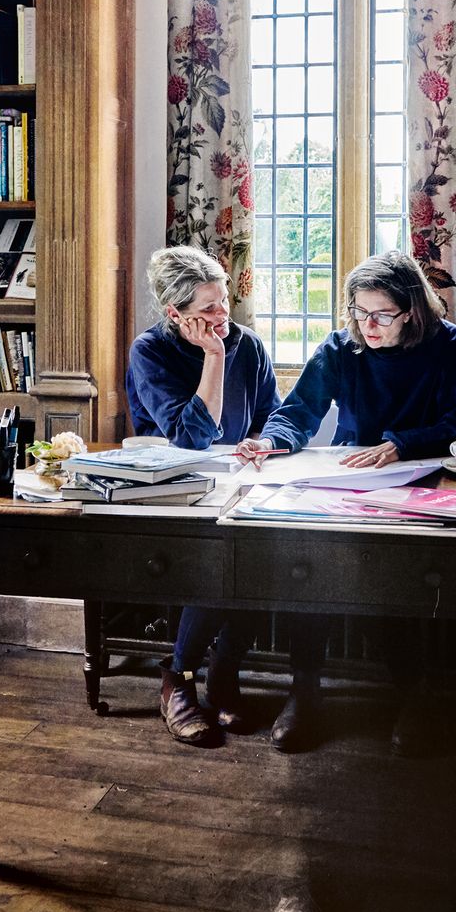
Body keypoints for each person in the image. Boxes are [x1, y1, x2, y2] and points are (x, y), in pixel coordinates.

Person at [234, 251, 456, 755]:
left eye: (382, 315)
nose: (368, 325)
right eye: (359, 312)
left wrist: (401, 443)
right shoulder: (341, 347)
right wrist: (272, 441)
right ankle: (303, 691)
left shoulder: (445, 343)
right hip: (351, 478)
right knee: (308, 566)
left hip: (419, 473)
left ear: (411, 311)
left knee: (399, 577)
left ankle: (413, 694)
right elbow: (299, 410)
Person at [127, 245, 280, 747]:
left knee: (265, 554)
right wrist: (213, 357)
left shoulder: (249, 345)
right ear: (176, 315)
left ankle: (225, 671)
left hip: (240, 481)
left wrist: (266, 442)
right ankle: (178, 677)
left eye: (225, 300)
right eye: (208, 309)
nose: (223, 316)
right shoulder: (150, 352)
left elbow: (270, 416)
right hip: (175, 490)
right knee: (220, 558)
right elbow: (190, 438)